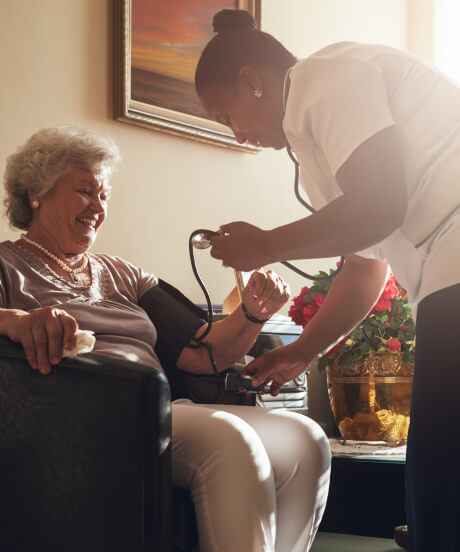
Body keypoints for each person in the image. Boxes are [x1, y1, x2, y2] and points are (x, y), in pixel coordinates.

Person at [195, 8, 460, 552]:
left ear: (252, 81)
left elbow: (381, 206)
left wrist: (266, 243)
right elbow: (366, 266)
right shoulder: (316, 146)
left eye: (227, 117)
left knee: (441, 478)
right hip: (443, 266)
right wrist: (303, 353)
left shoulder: (326, 75)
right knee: (435, 481)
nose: (239, 135)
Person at [0, 125, 331, 552]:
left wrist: (253, 312)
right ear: (35, 193)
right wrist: (14, 320)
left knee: (305, 440)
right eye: (85, 191)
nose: (98, 207)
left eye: (104, 196)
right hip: (75, 419)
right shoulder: (8, 264)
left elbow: (203, 353)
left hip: (154, 410)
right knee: (230, 440)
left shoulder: (124, 273)